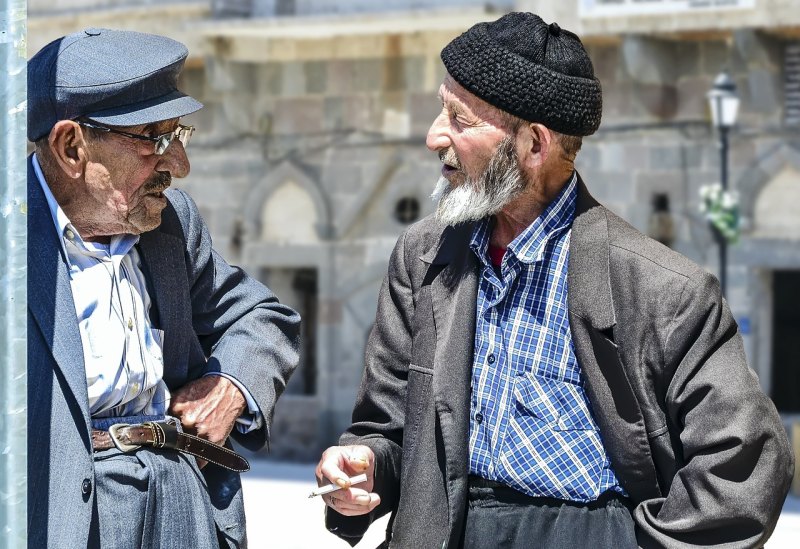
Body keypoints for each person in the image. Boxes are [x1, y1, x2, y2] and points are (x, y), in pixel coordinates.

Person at [316, 12, 794, 549]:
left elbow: (743, 459)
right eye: (439, 109)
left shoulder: (663, 290)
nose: (433, 137)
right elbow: (386, 428)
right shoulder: (423, 258)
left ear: (535, 144)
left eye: (460, 118)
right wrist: (362, 467)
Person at [27, 28, 301, 548]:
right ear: (71, 146)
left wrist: (231, 387)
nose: (179, 165)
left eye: (180, 136)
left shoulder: (170, 224)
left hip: (180, 505)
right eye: (155, 139)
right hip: (61, 518)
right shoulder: (11, 246)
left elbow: (260, 315)